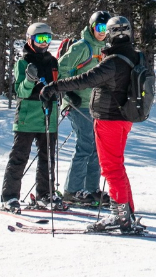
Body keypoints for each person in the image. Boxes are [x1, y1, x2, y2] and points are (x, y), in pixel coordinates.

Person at [41, 15, 146, 233]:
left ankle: (121, 217)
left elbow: (85, 79)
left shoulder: (114, 61)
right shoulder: (136, 56)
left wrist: (54, 87)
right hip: (124, 119)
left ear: (110, 34)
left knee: (111, 168)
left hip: (109, 119)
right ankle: (126, 211)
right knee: (117, 165)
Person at [0, 22, 62, 213]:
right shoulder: (23, 63)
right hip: (27, 116)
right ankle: (10, 197)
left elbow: (58, 83)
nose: (44, 43)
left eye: (47, 38)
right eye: (40, 38)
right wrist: (28, 79)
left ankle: (45, 193)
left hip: (48, 115)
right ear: (30, 39)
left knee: (48, 158)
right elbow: (20, 91)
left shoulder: (53, 62)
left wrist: (65, 96)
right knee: (19, 157)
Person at [58, 10, 110, 206]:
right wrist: (68, 92)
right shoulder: (82, 47)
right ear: (92, 27)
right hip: (78, 104)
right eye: (99, 27)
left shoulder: (105, 48)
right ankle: (72, 190)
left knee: (97, 148)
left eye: (106, 28)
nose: (102, 32)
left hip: (96, 106)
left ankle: (91, 189)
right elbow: (61, 68)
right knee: (86, 145)